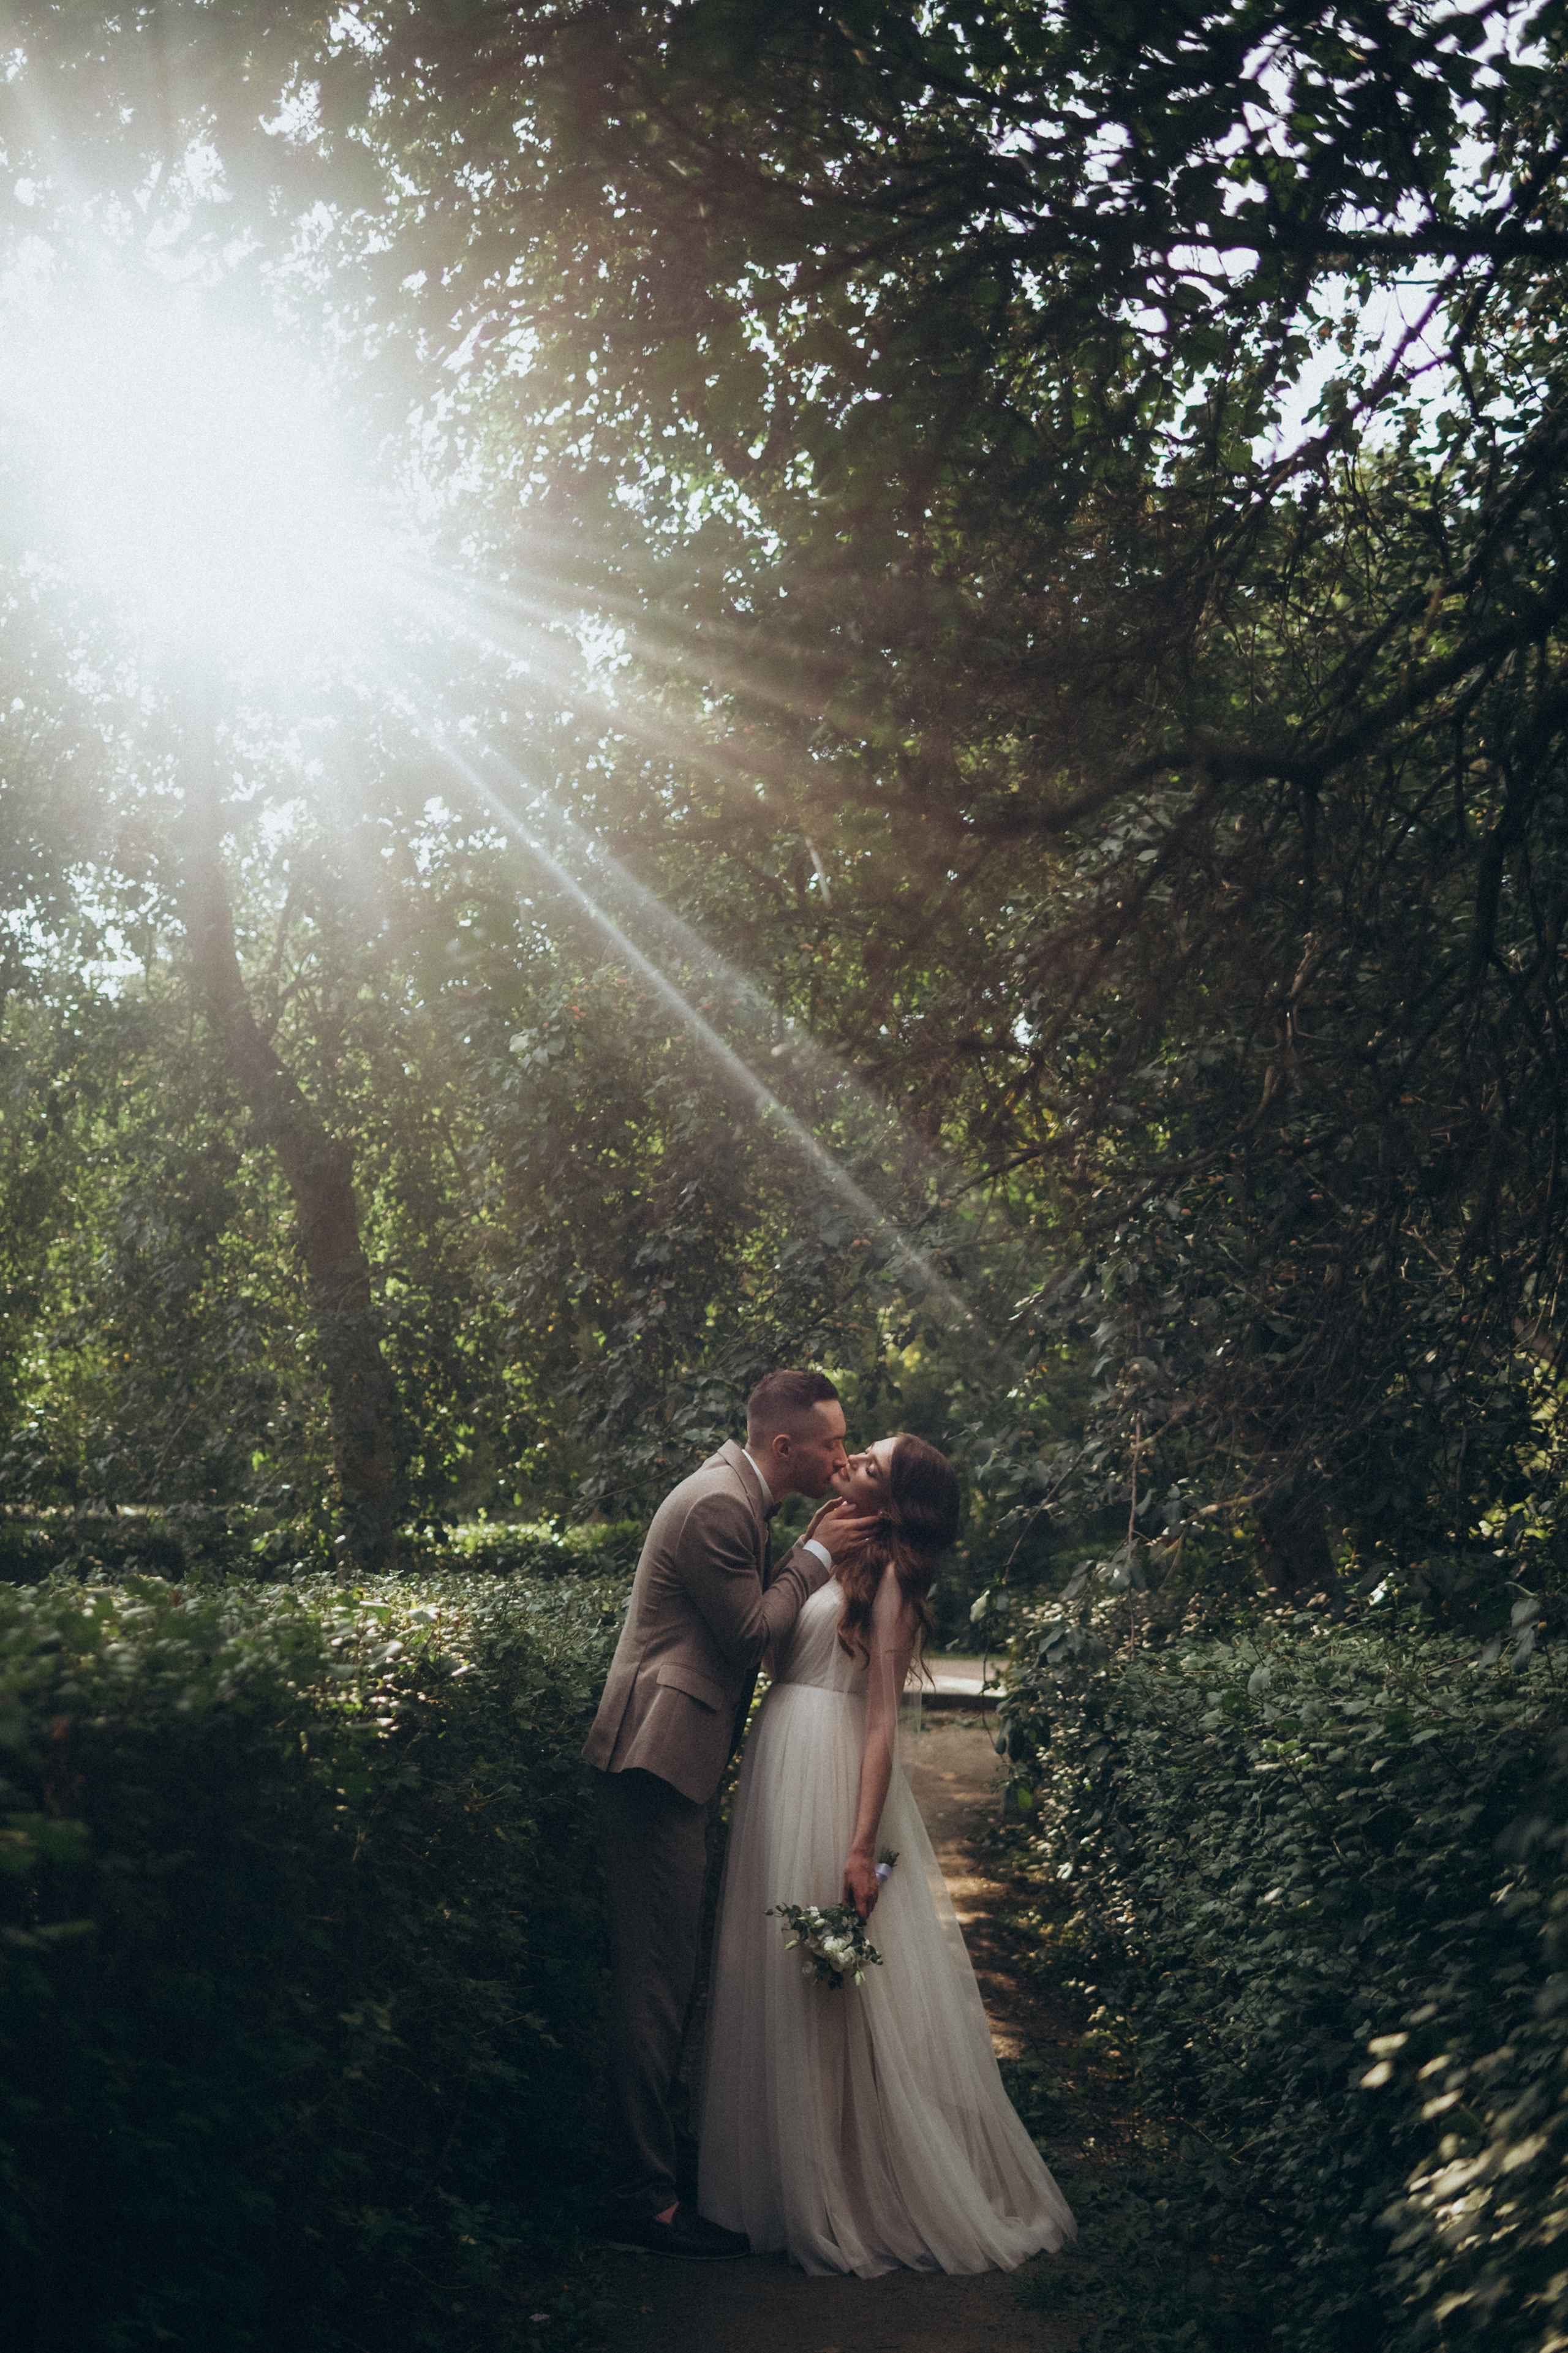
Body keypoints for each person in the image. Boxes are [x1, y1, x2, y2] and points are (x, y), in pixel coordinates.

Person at [696, 1433, 1077, 2275]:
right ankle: (770, 2177)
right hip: (778, 1759)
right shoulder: (826, 1542)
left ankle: (845, 2178)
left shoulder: (896, 1576)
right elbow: (763, 1644)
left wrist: (864, 1844)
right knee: (776, 1965)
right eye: (857, 1455)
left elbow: (880, 1721)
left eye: (868, 1465)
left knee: (832, 1979)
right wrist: (808, 1549)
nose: (849, 1465)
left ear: (898, 1500)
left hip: (835, 1773)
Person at [582, 1369, 875, 2259]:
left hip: (676, 1762)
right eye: (831, 1441)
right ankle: (643, 2198)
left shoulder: (739, 1496)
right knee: (656, 1981)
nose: (841, 1455)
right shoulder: (718, 1505)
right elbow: (752, 1629)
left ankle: (656, 2167)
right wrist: (816, 1555)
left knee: (671, 1971)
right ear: (785, 1447)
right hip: (655, 1762)